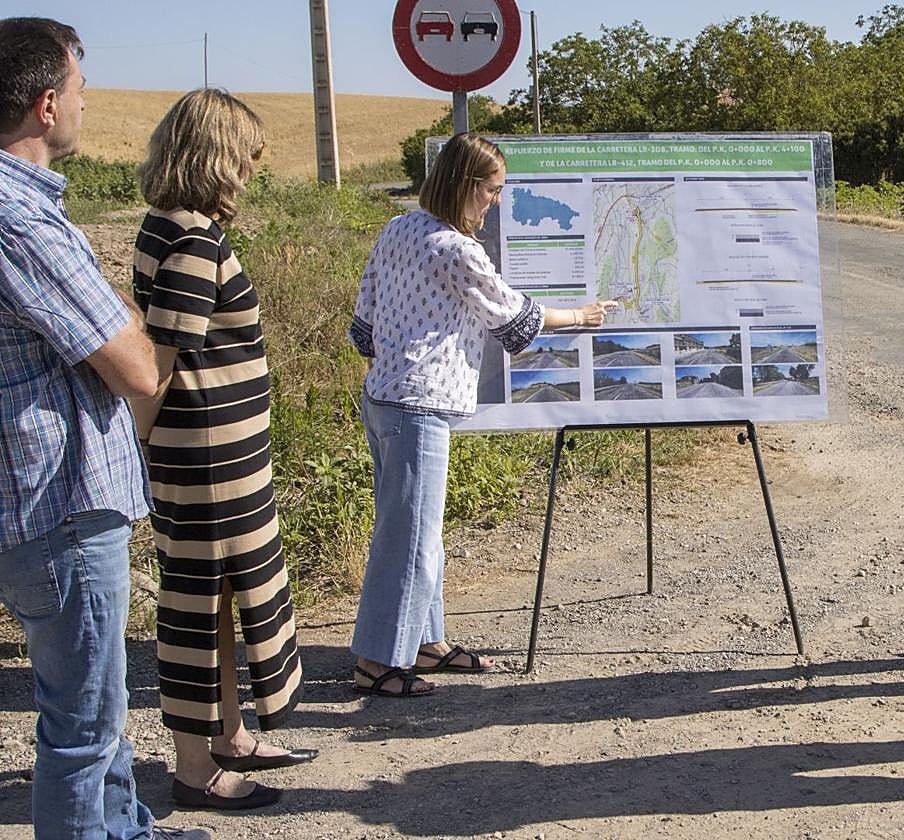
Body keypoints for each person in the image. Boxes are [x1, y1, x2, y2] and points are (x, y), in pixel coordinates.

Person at [0, 17, 209, 840]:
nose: (88, 103)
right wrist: (122, 313)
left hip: (41, 500)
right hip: (58, 505)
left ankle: (127, 830)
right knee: (82, 724)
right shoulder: (21, 219)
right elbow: (138, 367)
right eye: (81, 88)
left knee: (98, 705)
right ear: (47, 105)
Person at [348, 132, 616, 697]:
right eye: (492, 191)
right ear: (466, 185)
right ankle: (376, 661)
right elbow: (511, 317)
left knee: (417, 529)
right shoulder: (456, 248)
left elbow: (364, 320)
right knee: (411, 538)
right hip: (418, 405)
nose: (495, 201)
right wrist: (581, 316)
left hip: (384, 396)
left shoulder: (398, 228)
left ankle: (426, 641)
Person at [130, 88, 314, 810]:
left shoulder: (171, 225)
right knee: (199, 607)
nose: (251, 168)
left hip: (219, 451)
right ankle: (194, 769)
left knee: (226, 596)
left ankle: (231, 735)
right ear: (216, 154)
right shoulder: (193, 239)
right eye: (245, 154)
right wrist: (132, 448)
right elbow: (161, 363)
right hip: (207, 455)